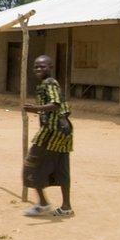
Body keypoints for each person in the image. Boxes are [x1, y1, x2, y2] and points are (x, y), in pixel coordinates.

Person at [22, 55, 73, 217]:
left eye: (42, 66)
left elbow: (55, 104)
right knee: (61, 167)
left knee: (32, 164)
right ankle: (66, 207)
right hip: (63, 131)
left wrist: (35, 108)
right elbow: (62, 107)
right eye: (36, 67)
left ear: (50, 67)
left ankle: (43, 204)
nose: (38, 69)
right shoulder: (48, 84)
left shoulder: (49, 83)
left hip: (52, 131)